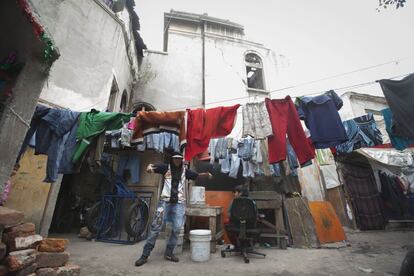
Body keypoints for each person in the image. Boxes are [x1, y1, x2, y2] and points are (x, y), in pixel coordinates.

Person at [135, 153, 212, 266]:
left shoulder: (185, 171)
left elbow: (196, 175)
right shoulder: (165, 168)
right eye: (175, 159)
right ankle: (144, 255)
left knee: (177, 229)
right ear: (172, 159)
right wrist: (149, 167)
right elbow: (151, 166)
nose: (177, 160)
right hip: (164, 202)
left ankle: (169, 253)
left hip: (179, 204)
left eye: (179, 159)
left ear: (181, 160)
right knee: (156, 228)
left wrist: (206, 174)